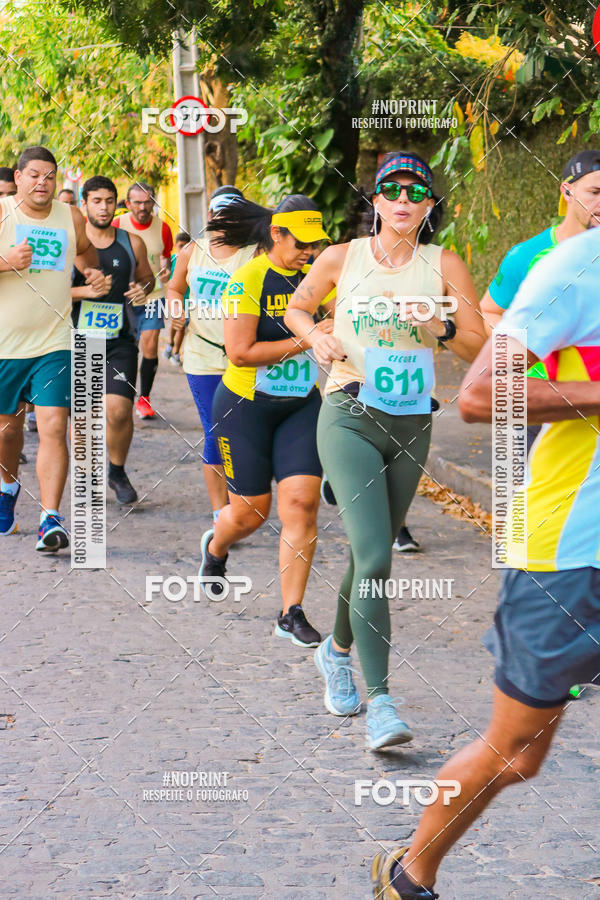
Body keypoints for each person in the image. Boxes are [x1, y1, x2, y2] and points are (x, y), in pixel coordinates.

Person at [371, 223, 600, 900]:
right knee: (516, 754)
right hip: (566, 557)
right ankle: (409, 875)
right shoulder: (576, 268)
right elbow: (479, 396)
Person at [285, 152, 485, 748]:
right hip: (349, 415)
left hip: (412, 423)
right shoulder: (341, 257)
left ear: (428, 205)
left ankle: (335, 649)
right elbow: (297, 307)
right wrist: (314, 335)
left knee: (368, 558)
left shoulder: (444, 264)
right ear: (375, 201)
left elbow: (479, 345)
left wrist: (438, 325)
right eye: (391, 191)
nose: (403, 200)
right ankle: (382, 704)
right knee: (376, 556)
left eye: (415, 192)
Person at [198, 194, 333, 648]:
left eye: (315, 244)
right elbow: (240, 352)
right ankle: (216, 547)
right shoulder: (249, 278)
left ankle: (291, 612)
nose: (309, 252)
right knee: (251, 513)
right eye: (301, 243)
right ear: (277, 234)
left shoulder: (317, 277)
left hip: (300, 405)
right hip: (244, 407)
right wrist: (309, 339)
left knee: (301, 504)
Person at [0, 145, 104, 549]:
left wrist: (92, 273)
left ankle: (50, 518)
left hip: (55, 341)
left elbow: (86, 252)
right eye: (34, 175)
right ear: (19, 178)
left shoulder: (70, 216)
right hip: (6, 345)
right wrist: (6, 261)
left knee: (55, 426)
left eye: (49, 176)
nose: (42, 183)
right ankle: (7, 488)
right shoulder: (2, 212)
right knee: (7, 432)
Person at [481, 149, 600, 452]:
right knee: (522, 484)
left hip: (593, 399)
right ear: (567, 191)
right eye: (595, 192)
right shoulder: (527, 255)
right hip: (537, 404)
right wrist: (525, 352)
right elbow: (490, 311)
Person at [167, 187, 258, 523]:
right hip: (201, 353)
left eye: (234, 214)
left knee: (242, 431)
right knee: (215, 430)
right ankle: (221, 512)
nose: (226, 220)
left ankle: (242, 499)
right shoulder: (193, 251)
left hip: (244, 356)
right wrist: (175, 309)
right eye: (220, 213)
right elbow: (175, 288)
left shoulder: (255, 254)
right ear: (210, 216)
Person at [71, 175, 155, 504]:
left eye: (109, 201)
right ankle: (85, 474)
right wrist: (85, 293)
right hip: (78, 339)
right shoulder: (72, 243)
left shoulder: (132, 243)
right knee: (83, 415)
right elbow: (50, 291)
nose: (104, 208)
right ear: (84, 204)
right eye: (96, 201)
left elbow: (147, 279)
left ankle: (116, 471)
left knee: (119, 410)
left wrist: (141, 290)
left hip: (119, 339)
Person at [115, 181, 173, 419]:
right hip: (124, 297)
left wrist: (166, 271)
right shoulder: (118, 225)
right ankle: (122, 396)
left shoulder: (164, 228)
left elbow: (165, 258)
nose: (142, 207)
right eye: (137, 202)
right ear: (128, 203)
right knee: (128, 348)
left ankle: (144, 398)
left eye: (147, 202)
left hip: (153, 295)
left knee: (150, 344)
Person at [163, 230, 192, 367]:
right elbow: (166, 278)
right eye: (181, 246)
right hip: (175, 299)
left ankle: (175, 352)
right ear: (175, 246)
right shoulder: (172, 260)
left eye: (186, 246)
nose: (183, 249)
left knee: (182, 327)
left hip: (189, 299)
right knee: (175, 324)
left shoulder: (193, 260)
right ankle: (170, 343)